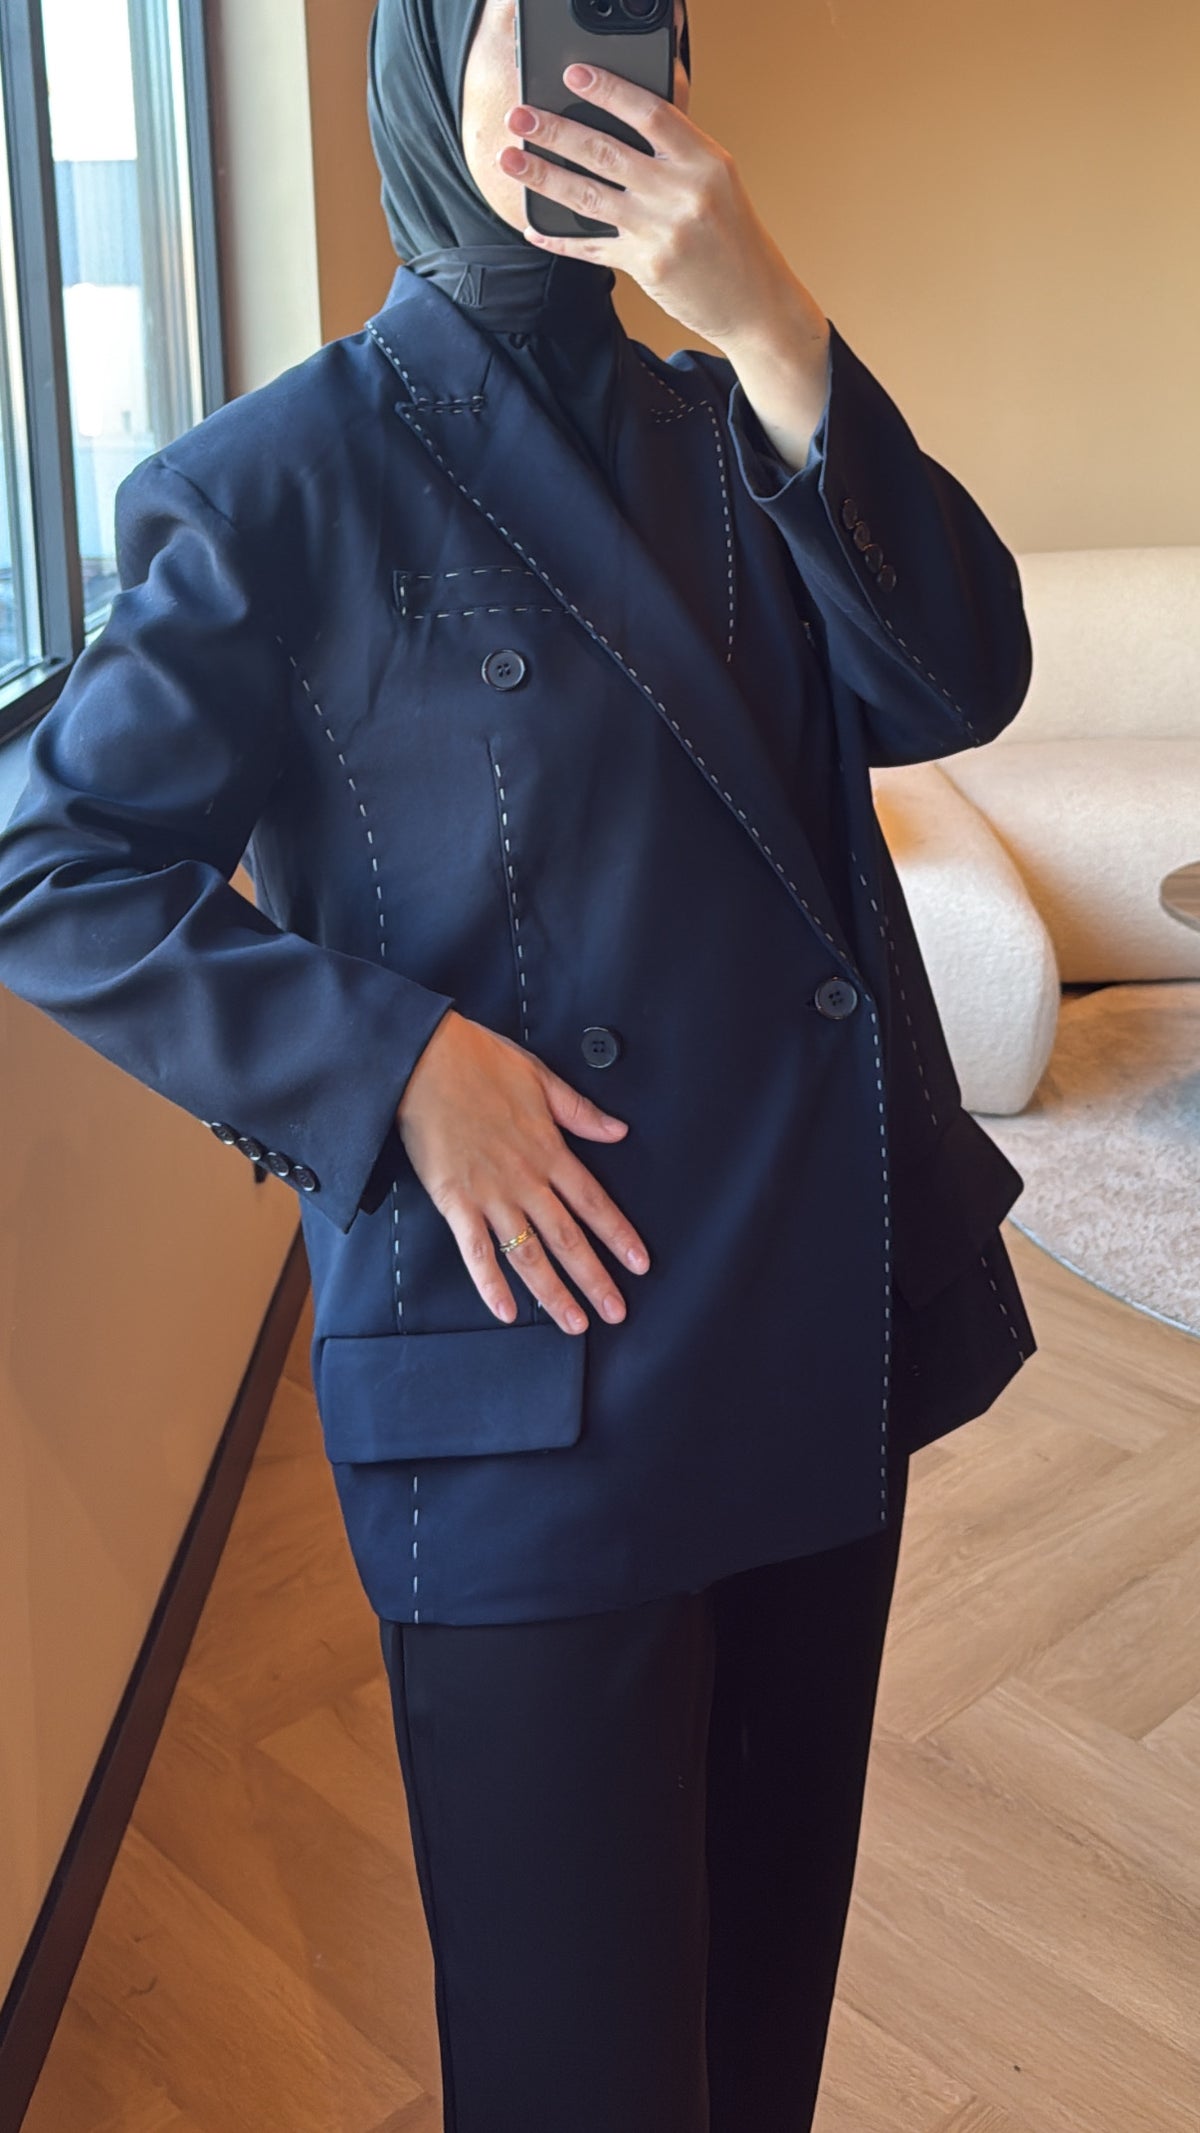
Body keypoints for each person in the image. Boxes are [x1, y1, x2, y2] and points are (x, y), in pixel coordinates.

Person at [0, 0, 1038, 2125]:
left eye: (636, 23)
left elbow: (960, 681)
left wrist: (774, 321)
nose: (593, 72)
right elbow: (51, 860)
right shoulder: (283, 476)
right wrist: (384, 1061)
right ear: (420, 64)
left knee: (757, 2038)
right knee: (584, 2073)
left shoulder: (733, 418)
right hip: (523, 1391)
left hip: (799, 1338)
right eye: (530, 19)